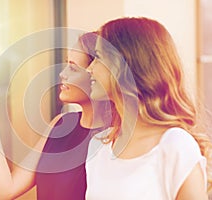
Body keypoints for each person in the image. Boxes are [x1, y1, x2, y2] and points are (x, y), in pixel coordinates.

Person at [0, 32, 111, 199]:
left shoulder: (111, 139)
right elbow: (5, 191)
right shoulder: (60, 124)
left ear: (96, 75)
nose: (62, 74)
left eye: (73, 67)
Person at [85, 17, 212, 200]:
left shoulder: (174, 145)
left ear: (123, 63)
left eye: (97, 57)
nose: (89, 68)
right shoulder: (98, 145)